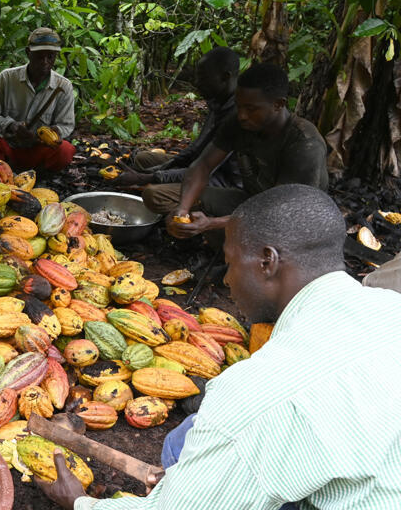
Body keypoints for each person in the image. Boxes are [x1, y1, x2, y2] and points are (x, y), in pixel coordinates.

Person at [38, 184, 401, 509]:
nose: (227, 279)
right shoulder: (391, 306)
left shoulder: (258, 390)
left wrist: (78, 502)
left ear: (266, 262)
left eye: (229, 263)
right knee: (187, 437)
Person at [164, 63, 328, 240]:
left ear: (278, 104)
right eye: (239, 106)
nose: (242, 115)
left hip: (292, 222)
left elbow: (280, 211)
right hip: (250, 201)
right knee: (173, 202)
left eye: (251, 109)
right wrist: (183, 210)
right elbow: (203, 165)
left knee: (251, 238)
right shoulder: (239, 122)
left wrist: (213, 223)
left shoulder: (305, 144)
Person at [113, 47, 242, 203]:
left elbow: (204, 170)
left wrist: (148, 177)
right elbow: (195, 150)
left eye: (203, 78)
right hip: (199, 167)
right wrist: (150, 171)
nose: (197, 83)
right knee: (144, 159)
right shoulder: (217, 103)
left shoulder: (240, 114)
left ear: (225, 77)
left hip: (221, 182)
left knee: (153, 195)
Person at [0, 27, 77, 172]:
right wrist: (11, 126)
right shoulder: (7, 78)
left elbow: (66, 125)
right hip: (9, 146)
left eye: (50, 57)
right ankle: (3, 171)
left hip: (39, 149)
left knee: (65, 151)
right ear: (28, 53)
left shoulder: (63, 86)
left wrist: (55, 132)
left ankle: (38, 175)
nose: (45, 62)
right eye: (39, 56)